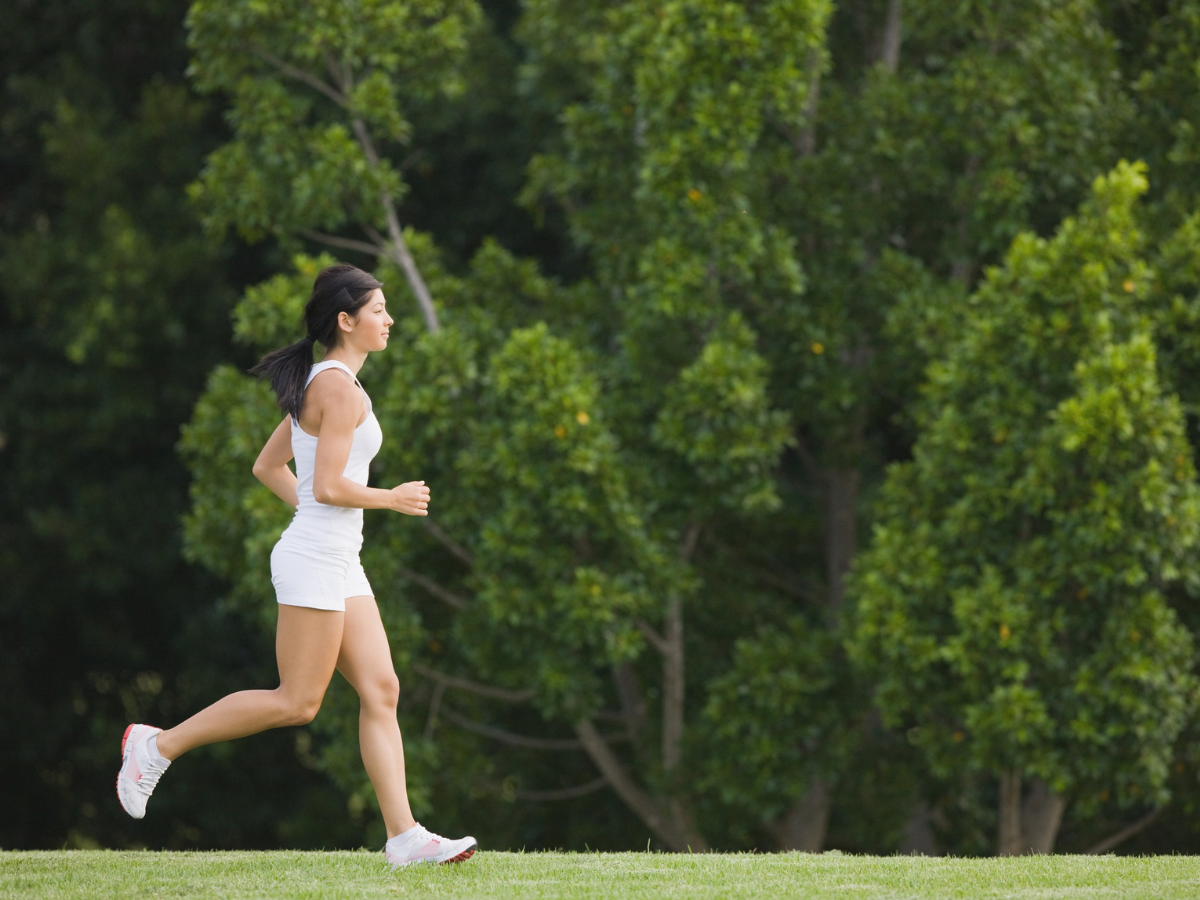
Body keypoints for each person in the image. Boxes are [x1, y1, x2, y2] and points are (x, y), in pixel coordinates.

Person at [116, 263, 476, 869]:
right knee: (298, 703)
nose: (389, 320)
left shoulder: (329, 384)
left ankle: (404, 836)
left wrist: (318, 509)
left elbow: (270, 468)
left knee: (381, 689)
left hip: (337, 557)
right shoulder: (335, 388)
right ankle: (156, 746)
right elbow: (330, 485)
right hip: (314, 558)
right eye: (379, 310)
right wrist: (389, 498)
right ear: (346, 320)